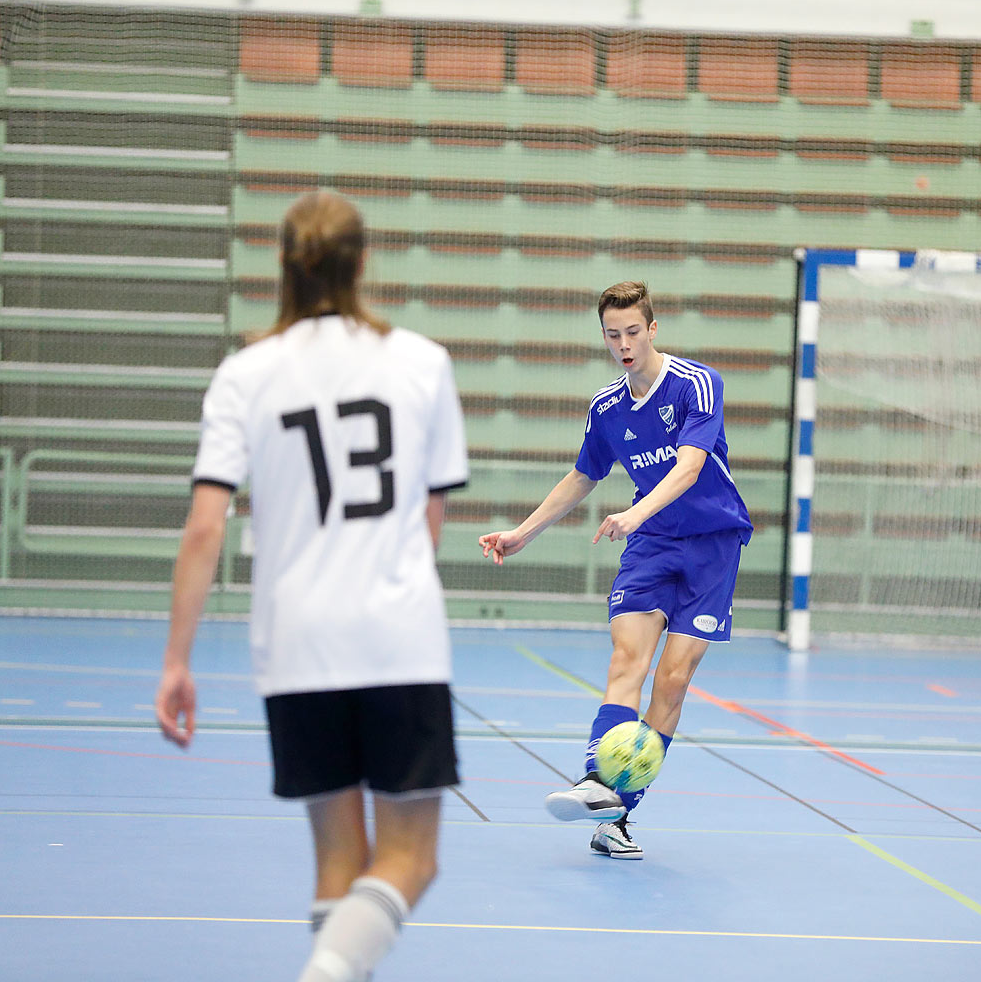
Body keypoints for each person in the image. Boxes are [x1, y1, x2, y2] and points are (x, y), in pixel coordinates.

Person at [154, 191, 469, 982]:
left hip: (296, 646)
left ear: (284, 266)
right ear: (363, 262)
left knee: (339, 866)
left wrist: (176, 662)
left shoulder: (244, 373)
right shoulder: (423, 362)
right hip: (397, 639)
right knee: (411, 860)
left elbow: (204, 527)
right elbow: (429, 517)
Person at [478, 281, 753, 860]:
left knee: (672, 682)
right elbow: (583, 475)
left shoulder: (696, 384)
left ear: (652, 329)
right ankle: (598, 782)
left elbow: (689, 468)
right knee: (628, 657)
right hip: (650, 544)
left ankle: (621, 814)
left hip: (711, 544)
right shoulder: (606, 409)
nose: (624, 344)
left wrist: (633, 512)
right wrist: (521, 534)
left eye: (633, 332)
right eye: (613, 335)